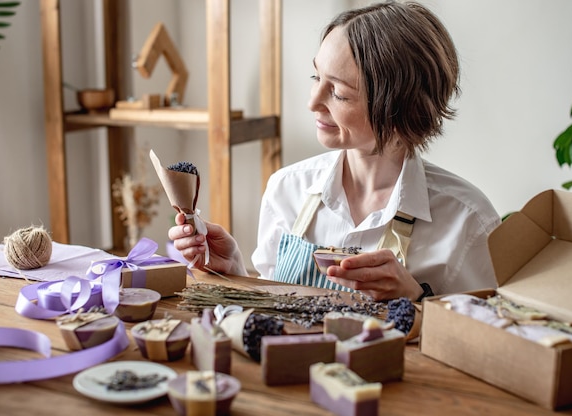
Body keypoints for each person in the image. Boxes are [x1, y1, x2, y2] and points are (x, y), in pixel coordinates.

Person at [169, 1, 501, 302]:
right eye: (317, 76)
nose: (312, 102)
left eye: (339, 93)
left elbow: (485, 347)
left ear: (401, 107)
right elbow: (272, 308)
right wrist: (233, 269)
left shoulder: (468, 221)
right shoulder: (287, 189)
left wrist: (417, 297)